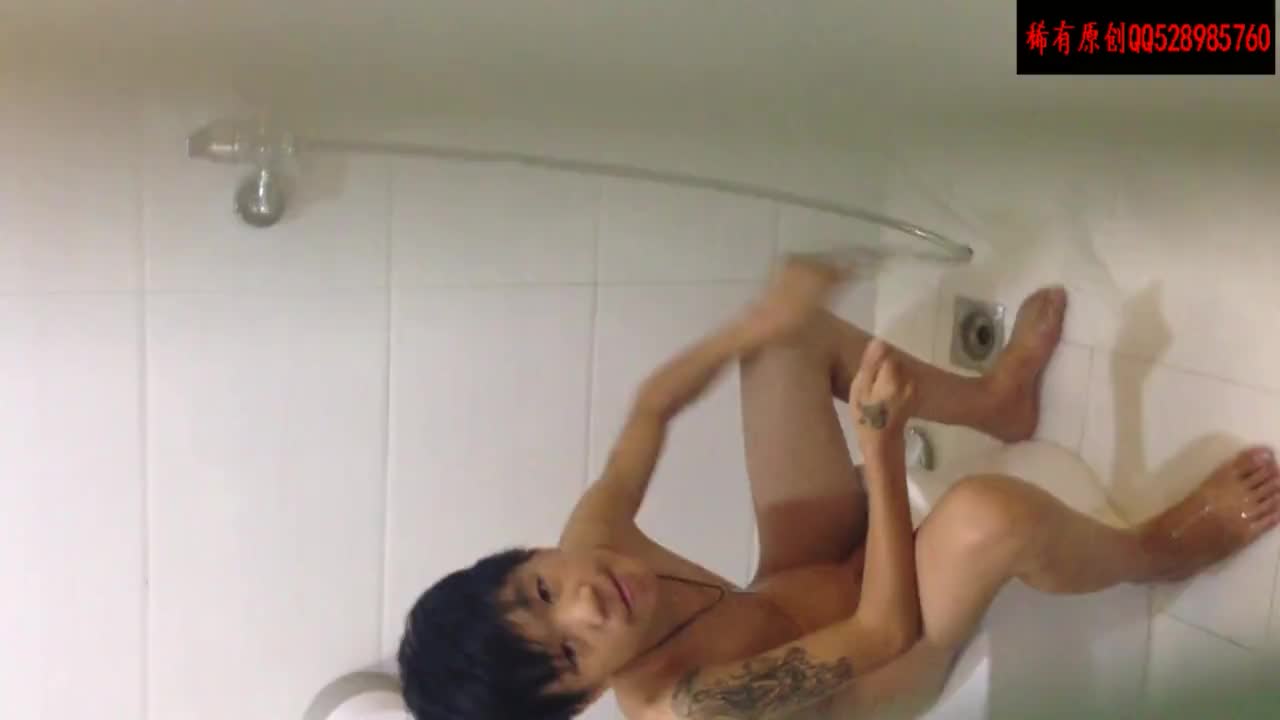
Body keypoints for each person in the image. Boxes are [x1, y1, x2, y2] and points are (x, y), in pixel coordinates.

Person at [396, 255, 1279, 720]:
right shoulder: (689, 707)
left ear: (529, 557)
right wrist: (878, 448)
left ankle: (999, 403)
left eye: (541, 591)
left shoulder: (591, 546)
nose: (585, 604)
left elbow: (650, 410)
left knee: (784, 346)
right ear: (586, 697)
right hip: (892, 660)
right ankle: (1162, 552)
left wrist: (756, 321)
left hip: (797, 580)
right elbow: (883, 630)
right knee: (988, 514)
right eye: (568, 654)